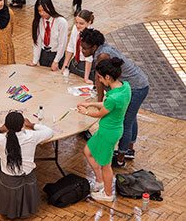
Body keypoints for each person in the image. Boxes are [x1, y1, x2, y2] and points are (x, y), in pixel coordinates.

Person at [80, 28, 149, 167]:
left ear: (94, 47)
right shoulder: (101, 50)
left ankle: (120, 159)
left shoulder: (102, 56)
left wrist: (98, 103)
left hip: (137, 87)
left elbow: (99, 80)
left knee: (126, 122)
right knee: (131, 117)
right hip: (139, 83)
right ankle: (129, 150)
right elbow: (99, 79)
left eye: (85, 49)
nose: (83, 51)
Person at [0, 111, 53, 219]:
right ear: (23, 125)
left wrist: (0, 129)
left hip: (9, 181)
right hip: (29, 178)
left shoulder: (0, 139)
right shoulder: (31, 136)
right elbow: (49, 131)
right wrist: (31, 124)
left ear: (7, 126)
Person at [77, 57, 131, 202]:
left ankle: (108, 194)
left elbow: (101, 113)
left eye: (100, 78)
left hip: (108, 133)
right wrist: (90, 105)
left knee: (106, 165)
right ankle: (99, 180)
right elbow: (107, 105)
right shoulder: (125, 87)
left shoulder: (113, 98)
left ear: (107, 77)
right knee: (87, 151)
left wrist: (85, 112)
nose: (99, 81)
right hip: (112, 129)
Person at [28, 0, 68, 71]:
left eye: (44, 10)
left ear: (50, 7)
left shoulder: (61, 22)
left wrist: (56, 61)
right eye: (39, 11)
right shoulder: (39, 21)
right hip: (44, 55)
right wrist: (35, 61)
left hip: (56, 54)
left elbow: (62, 44)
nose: (42, 13)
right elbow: (37, 42)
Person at [60, 10, 95, 84]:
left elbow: (89, 59)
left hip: (85, 66)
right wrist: (65, 65)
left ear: (89, 23)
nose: (78, 25)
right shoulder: (75, 28)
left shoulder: (91, 36)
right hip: (75, 63)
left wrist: (86, 78)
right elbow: (71, 47)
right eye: (76, 22)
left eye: (81, 24)